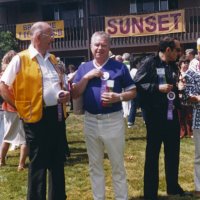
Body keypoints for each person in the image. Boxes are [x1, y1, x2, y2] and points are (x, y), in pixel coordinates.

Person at [0, 21, 69, 200]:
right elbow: (3, 86)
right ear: (38, 37)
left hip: (57, 115)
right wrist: (19, 107)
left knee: (57, 161)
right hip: (34, 117)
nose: (53, 39)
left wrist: (63, 94)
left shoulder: (53, 59)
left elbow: (56, 84)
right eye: (50, 35)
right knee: (38, 163)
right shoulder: (21, 59)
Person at [72, 31, 136, 200]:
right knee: (94, 165)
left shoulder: (119, 67)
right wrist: (86, 77)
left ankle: (121, 197)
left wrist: (118, 97)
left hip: (112, 120)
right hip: (90, 120)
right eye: (96, 45)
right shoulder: (84, 67)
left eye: (103, 45)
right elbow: (75, 93)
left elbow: (133, 91)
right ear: (91, 46)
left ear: (109, 47)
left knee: (117, 165)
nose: (99, 48)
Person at [134, 37, 191, 200]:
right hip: (154, 116)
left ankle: (173, 187)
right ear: (168, 50)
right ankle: (150, 193)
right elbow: (137, 83)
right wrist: (157, 88)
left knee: (173, 153)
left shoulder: (173, 65)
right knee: (152, 154)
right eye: (177, 50)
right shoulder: (150, 63)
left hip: (171, 115)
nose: (179, 53)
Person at [0, 50, 28, 171]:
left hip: (9, 108)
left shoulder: (3, 74)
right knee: (25, 138)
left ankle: (1, 160)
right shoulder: (20, 73)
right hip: (21, 107)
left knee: (7, 136)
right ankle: (21, 164)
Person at [177, 56, 193, 138]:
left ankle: (190, 131)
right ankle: (182, 132)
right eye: (184, 63)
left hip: (189, 97)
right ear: (180, 64)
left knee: (189, 115)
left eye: (187, 63)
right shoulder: (177, 73)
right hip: (179, 97)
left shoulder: (191, 73)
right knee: (181, 116)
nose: (186, 65)